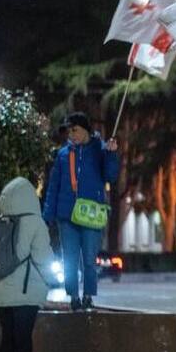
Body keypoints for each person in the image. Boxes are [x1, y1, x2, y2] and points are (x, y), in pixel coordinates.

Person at [41, 111, 120, 311]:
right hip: (66, 216)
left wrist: (111, 154)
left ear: (86, 130)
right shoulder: (62, 155)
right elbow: (53, 186)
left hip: (91, 216)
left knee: (89, 261)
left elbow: (111, 176)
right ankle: (74, 297)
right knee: (69, 260)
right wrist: (47, 215)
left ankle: (88, 296)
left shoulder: (101, 150)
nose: (71, 135)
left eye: (75, 130)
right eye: (69, 132)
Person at [0, 177, 54, 352]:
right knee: (23, 337)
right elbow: (44, 258)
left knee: (7, 336)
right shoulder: (35, 223)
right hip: (26, 291)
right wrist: (53, 280)